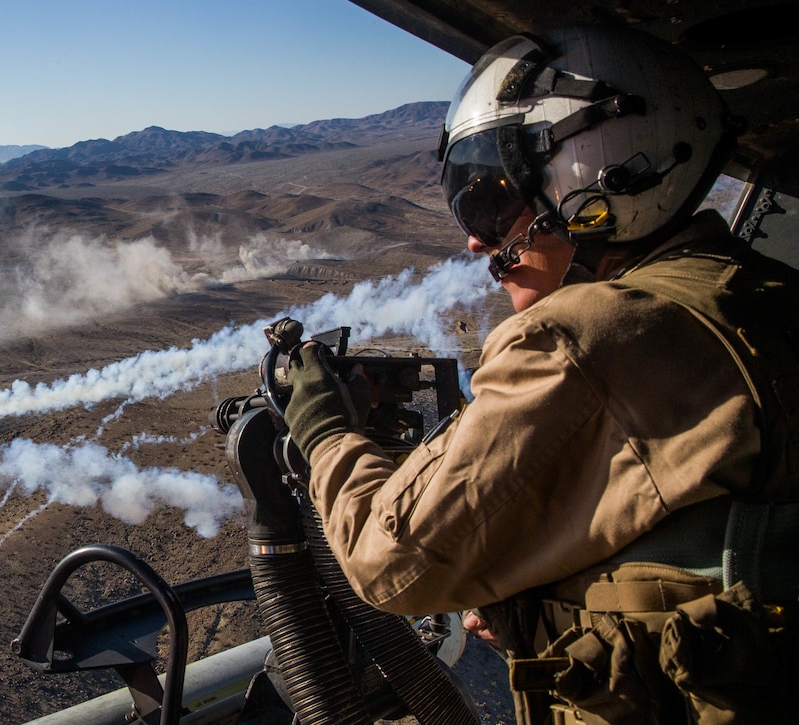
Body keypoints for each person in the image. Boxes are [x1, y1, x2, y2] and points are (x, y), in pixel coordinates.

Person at [282, 25, 798, 725]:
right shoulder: (753, 292)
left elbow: (387, 560)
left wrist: (325, 430)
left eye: (489, 201)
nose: (474, 238)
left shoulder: (579, 338)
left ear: (600, 174)